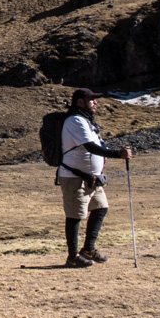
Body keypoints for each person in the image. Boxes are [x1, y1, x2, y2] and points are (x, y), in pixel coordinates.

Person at [58, 88, 132, 268]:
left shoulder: (86, 121)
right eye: (91, 100)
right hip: (75, 178)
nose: (95, 102)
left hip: (92, 179)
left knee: (100, 208)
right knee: (75, 216)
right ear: (80, 102)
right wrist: (118, 154)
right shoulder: (75, 121)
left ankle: (88, 250)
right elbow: (90, 147)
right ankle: (72, 256)